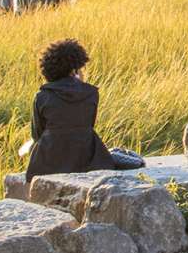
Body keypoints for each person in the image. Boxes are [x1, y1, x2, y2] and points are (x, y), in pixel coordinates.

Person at [24, 38, 140, 181]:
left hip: (49, 163)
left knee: (30, 147)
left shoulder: (42, 96)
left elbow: (37, 134)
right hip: (86, 160)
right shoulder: (92, 94)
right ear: (74, 71)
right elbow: (88, 126)